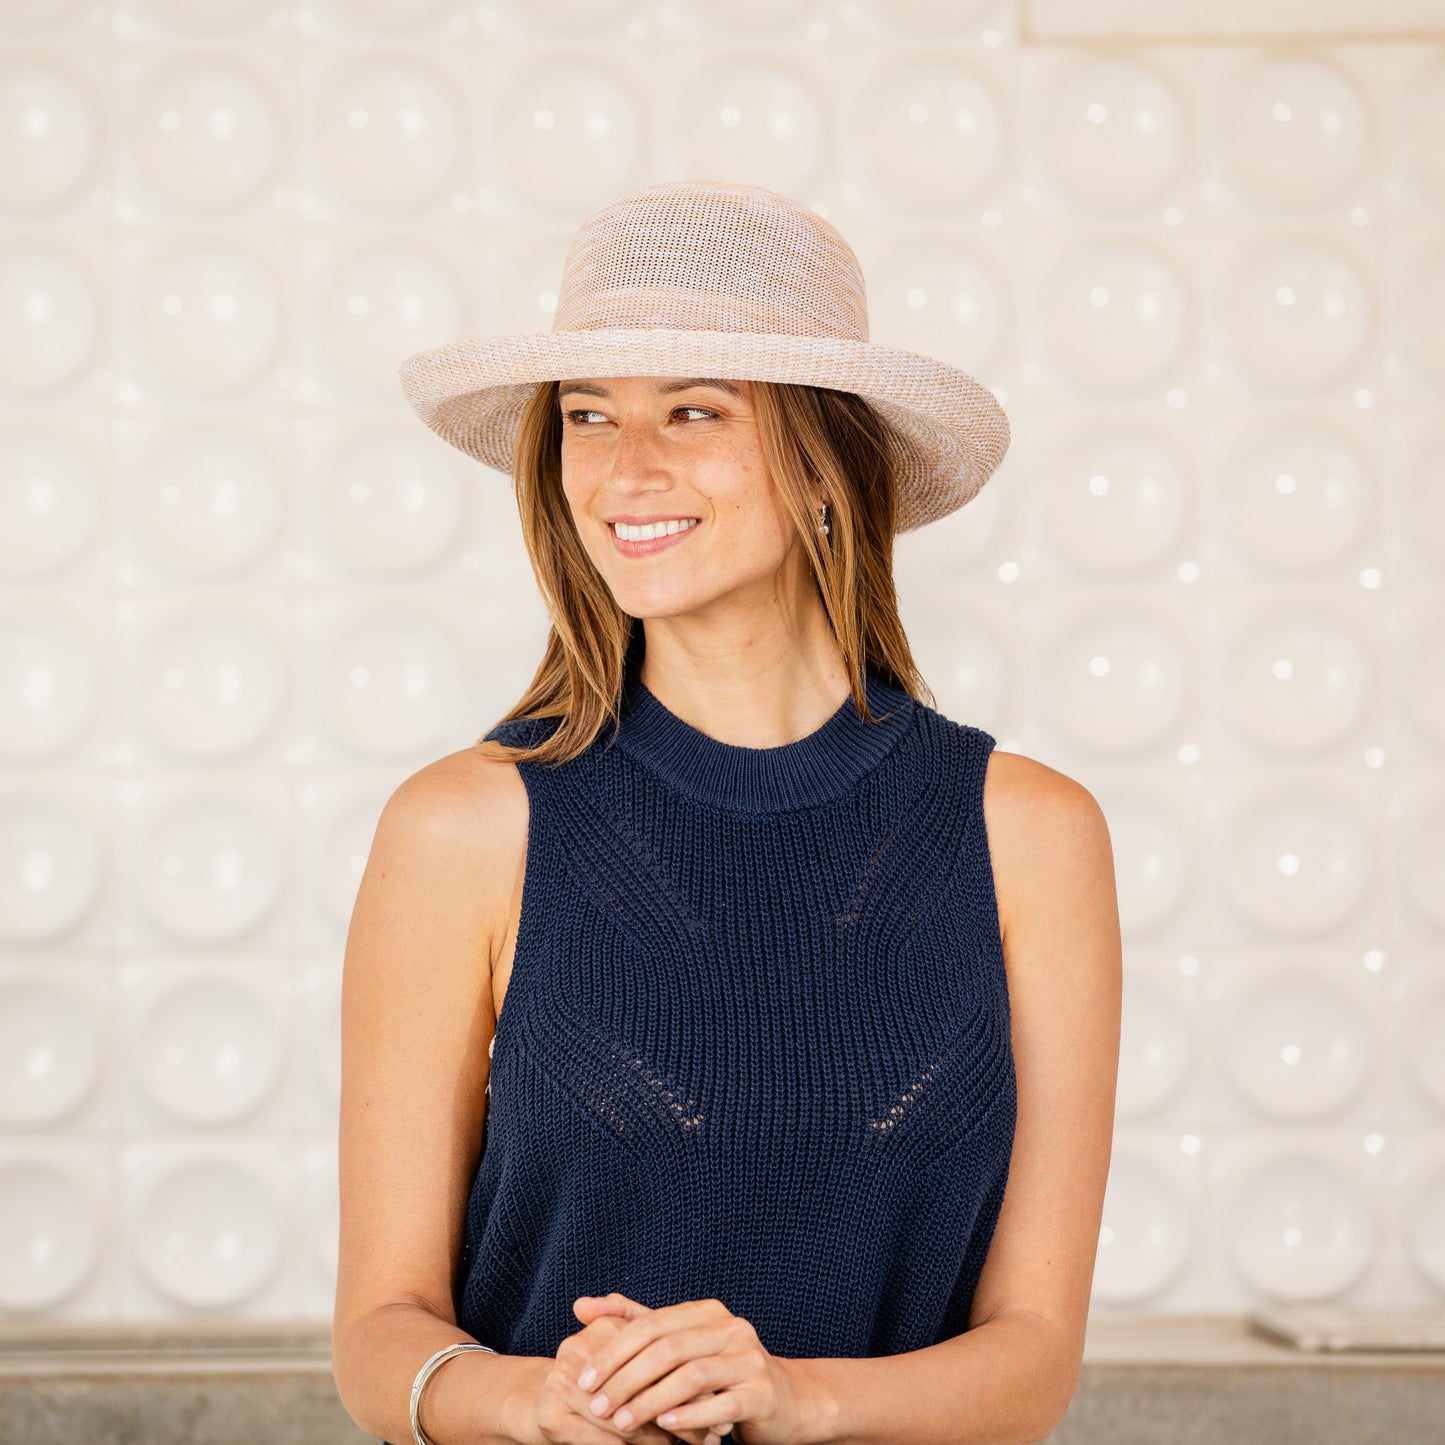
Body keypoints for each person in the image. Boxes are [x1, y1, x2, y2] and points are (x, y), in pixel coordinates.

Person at [331, 181, 1122, 1445]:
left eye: (693, 410)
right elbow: (381, 1330)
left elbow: (1031, 1359)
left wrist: (792, 1393)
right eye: (587, 415)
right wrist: (535, 1400)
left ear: (824, 465)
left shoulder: (1027, 836)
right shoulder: (464, 828)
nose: (623, 468)